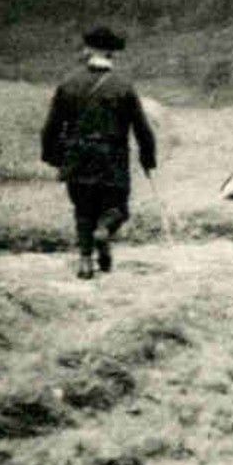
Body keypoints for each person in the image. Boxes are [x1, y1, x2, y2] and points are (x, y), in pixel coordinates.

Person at [40, 26, 158, 280]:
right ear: (111, 54)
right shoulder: (123, 86)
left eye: (86, 47)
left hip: (77, 158)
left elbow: (51, 126)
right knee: (118, 208)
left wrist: (53, 156)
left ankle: (85, 262)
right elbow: (141, 127)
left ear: (90, 51)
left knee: (83, 210)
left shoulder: (68, 84)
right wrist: (147, 158)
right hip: (112, 159)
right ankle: (104, 231)